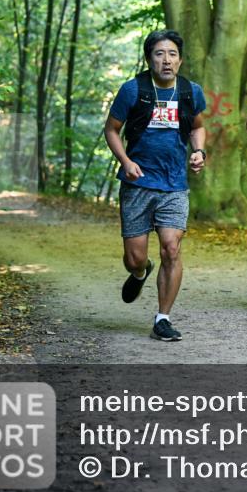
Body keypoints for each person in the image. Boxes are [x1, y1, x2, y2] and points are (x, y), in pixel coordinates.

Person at [104, 30, 207, 341]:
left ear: (180, 60)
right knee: (134, 258)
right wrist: (125, 161)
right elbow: (112, 130)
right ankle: (140, 271)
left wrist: (199, 151)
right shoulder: (133, 90)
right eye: (159, 54)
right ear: (149, 59)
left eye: (172, 54)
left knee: (171, 248)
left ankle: (163, 318)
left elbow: (198, 127)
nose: (167, 60)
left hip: (174, 184)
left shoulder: (190, 92)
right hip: (137, 183)